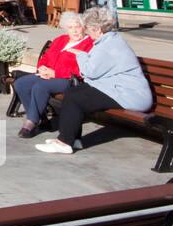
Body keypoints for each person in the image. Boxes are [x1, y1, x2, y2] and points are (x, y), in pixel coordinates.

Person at [36, 8, 152, 155]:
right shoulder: (109, 40)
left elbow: (89, 71)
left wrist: (81, 55)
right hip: (117, 89)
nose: (87, 32)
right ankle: (73, 139)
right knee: (74, 92)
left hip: (129, 95)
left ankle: (64, 143)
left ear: (98, 30)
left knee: (75, 98)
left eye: (88, 28)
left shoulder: (109, 45)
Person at [12, 11, 94, 138]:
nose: (75, 31)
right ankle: (42, 118)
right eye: (71, 28)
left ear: (83, 27)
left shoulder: (89, 44)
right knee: (21, 83)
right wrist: (42, 69)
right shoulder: (61, 40)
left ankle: (31, 121)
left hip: (70, 79)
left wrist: (55, 73)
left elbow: (83, 69)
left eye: (78, 27)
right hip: (48, 75)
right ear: (66, 29)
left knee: (41, 86)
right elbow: (46, 57)